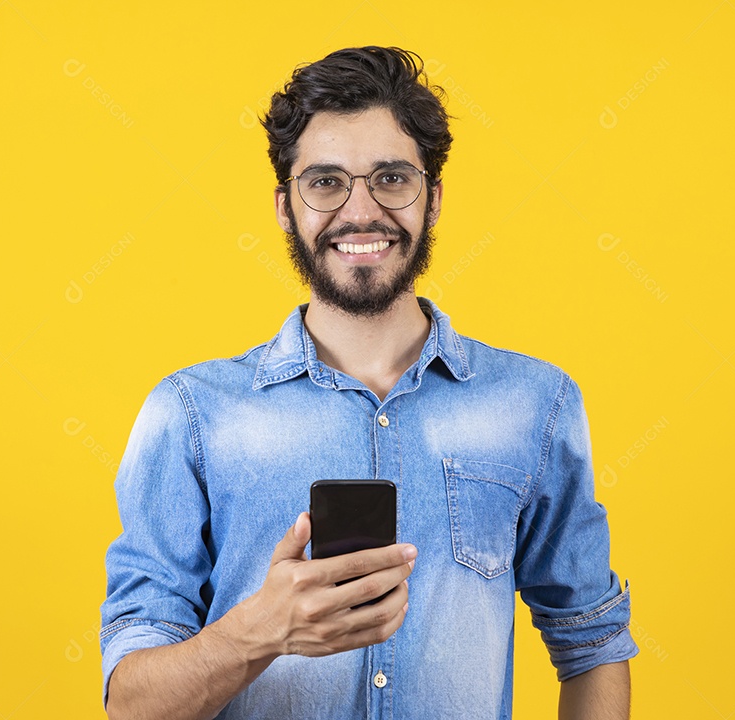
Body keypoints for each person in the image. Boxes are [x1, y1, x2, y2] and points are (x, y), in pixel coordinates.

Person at [100, 46, 638, 720]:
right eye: (325, 182)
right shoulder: (190, 415)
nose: (361, 211)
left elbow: (591, 642)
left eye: (391, 177)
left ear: (432, 199)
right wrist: (257, 632)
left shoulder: (535, 404)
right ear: (284, 206)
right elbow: (131, 703)